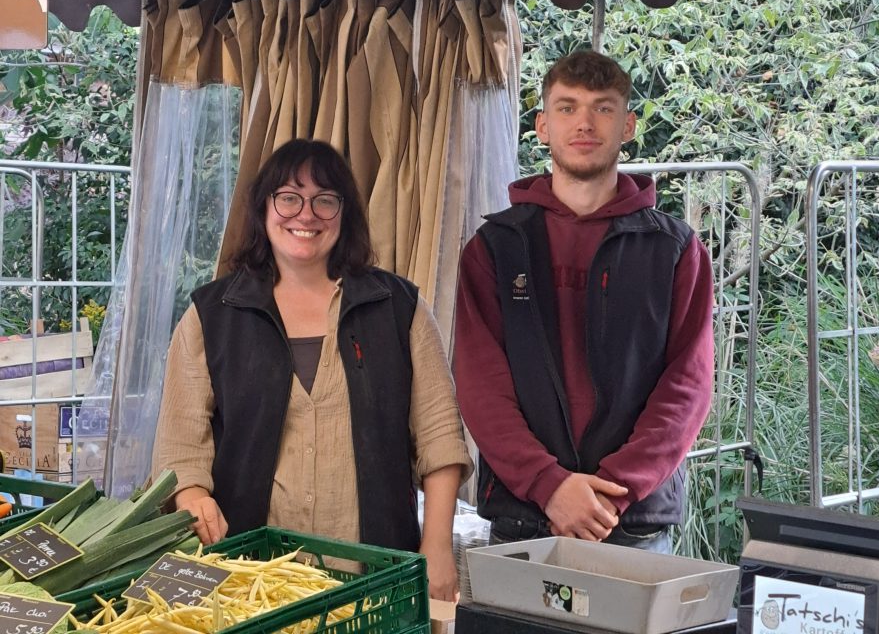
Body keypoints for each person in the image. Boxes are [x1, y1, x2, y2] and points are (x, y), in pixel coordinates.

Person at [152, 139, 472, 601]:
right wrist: (194, 498)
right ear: (264, 207)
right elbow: (181, 447)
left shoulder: (398, 308)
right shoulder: (213, 315)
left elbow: (440, 438)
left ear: (344, 213)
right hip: (247, 581)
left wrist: (437, 547)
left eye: (324, 200)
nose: (306, 214)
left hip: (376, 578)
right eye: (289, 198)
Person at [454, 50, 714, 552]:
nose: (585, 123)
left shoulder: (674, 250)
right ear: (542, 126)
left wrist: (611, 492)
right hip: (524, 519)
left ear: (628, 125)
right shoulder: (495, 248)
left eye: (603, 108)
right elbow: (481, 386)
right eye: (568, 107)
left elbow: (688, 386)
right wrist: (549, 485)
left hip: (630, 523)